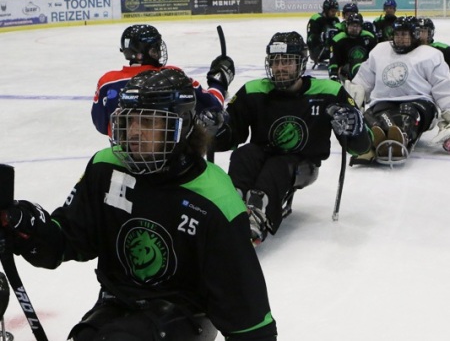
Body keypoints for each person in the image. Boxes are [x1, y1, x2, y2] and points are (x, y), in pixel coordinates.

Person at [0, 69, 278, 341]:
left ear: (179, 126)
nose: (133, 132)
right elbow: (68, 240)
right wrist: (27, 227)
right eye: (129, 120)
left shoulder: (214, 197)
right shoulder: (105, 167)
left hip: (185, 315)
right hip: (116, 306)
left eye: (148, 123)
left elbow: (247, 315)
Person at [213, 31, 372, 245]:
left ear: (301, 64)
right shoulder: (253, 90)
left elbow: (359, 147)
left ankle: (257, 217)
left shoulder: (329, 92)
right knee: (244, 153)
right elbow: (231, 137)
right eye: (275, 61)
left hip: (303, 163)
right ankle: (231, 206)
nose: (280, 68)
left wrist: (355, 128)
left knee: (278, 165)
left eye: (287, 61)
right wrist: (218, 127)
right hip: (262, 154)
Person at [92, 24, 234, 137]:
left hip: (122, 156)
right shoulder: (172, 76)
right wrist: (218, 82)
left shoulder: (106, 81)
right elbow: (213, 105)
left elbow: (101, 125)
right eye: (157, 48)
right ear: (151, 51)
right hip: (169, 159)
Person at [348, 16, 450, 166]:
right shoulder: (379, 51)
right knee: (370, 116)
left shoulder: (430, 54)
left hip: (420, 103)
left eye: (404, 35)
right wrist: (353, 101)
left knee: (407, 112)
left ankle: (398, 137)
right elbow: (363, 80)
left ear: (414, 35)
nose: (400, 39)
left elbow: (443, 84)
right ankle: (377, 138)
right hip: (384, 101)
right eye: (397, 34)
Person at [328, 13, 377, 82]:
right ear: (347, 25)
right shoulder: (338, 39)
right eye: (352, 25)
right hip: (346, 71)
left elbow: (375, 57)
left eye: (357, 26)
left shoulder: (369, 37)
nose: (354, 29)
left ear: (361, 27)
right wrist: (333, 73)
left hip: (367, 68)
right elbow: (333, 60)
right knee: (356, 62)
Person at [306, 0, 340, 67]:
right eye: (332, 11)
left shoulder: (335, 20)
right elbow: (310, 39)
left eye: (335, 11)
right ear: (326, 10)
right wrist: (322, 37)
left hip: (330, 47)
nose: (334, 13)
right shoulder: (316, 19)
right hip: (317, 50)